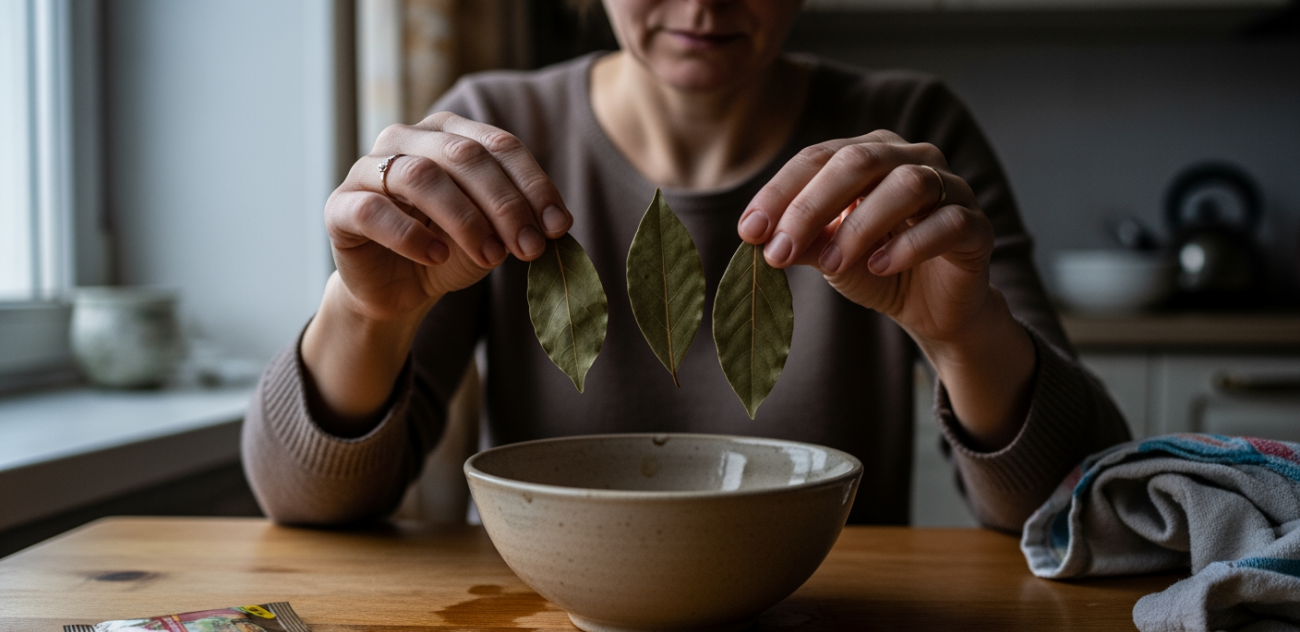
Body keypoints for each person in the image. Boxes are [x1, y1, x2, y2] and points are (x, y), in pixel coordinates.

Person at [241, 0, 1130, 532]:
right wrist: (366, 313)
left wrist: (964, 333)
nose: (703, 5)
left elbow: (1083, 500)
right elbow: (304, 502)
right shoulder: (490, 134)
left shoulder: (905, 137)